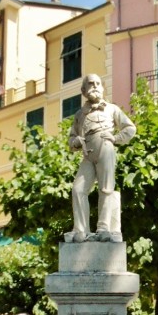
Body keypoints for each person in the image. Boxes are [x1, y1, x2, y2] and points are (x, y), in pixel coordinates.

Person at [65, 74, 136, 243]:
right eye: (91, 84)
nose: (95, 86)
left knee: (106, 188)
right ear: (84, 90)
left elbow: (130, 128)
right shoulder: (79, 115)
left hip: (106, 148)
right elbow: (71, 139)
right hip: (88, 154)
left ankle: (103, 228)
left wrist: (116, 138)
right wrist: (75, 142)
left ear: (103, 88)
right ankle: (81, 230)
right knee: (78, 189)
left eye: (98, 83)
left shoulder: (112, 109)